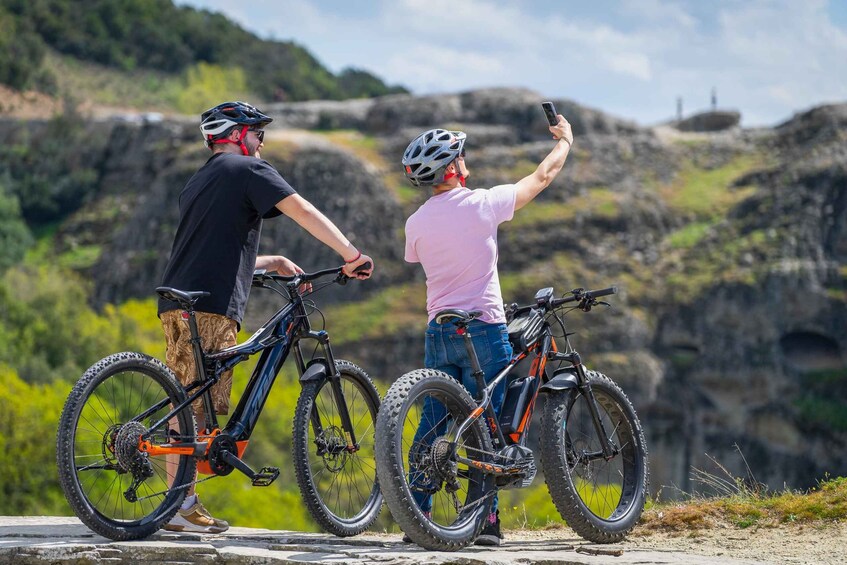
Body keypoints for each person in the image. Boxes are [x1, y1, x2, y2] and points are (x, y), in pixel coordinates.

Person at [158, 101, 374, 534]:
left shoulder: (197, 181)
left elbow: (214, 249)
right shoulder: (250, 171)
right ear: (239, 135)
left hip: (176, 298)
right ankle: (179, 505)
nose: (261, 143)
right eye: (257, 134)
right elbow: (303, 210)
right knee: (200, 407)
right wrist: (351, 255)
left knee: (188, 399)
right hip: (212, 304)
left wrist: (270, 261)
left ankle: (178, 503)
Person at [402, 113, 573, 546]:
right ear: (453, 168)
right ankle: (483, 522)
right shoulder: (482, 203)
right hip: (482, 329)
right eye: (461, 155)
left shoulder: (415, 223)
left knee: (434, 422)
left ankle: (416, 513)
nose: (466, 160)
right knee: (490, 424)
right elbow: (542, 176)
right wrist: (565, 142)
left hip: (439, 332)